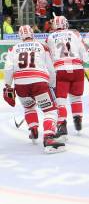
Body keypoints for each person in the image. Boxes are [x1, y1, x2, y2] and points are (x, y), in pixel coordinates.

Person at [3, 25, 65, 153]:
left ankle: (33, 129)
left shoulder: (12, 49)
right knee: (50, 110)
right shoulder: (42, 46)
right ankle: (48, 138)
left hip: (20, 85)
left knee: (29, 107)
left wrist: (8, 86)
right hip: (39, 82)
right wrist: (52, 85)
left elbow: (8, 69)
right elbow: (51, 69)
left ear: (20, 36)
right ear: (32, 34)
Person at [46, 16, 87, 141]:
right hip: (77, 68)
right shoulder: (75, 34)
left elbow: (49, 56)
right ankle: (78, 118)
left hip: (60, 69)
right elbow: (83, 51)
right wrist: (82, 61)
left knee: (61, 100)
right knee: (76, 97)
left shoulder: (50, 37)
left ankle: (62, 125)